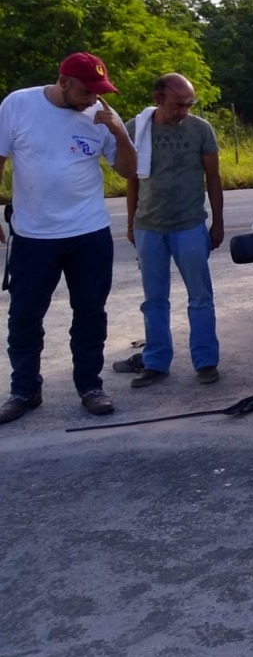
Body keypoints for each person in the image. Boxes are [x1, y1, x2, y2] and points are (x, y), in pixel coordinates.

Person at [0, 52, 138, 424]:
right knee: (25, 316)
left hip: (88, 234)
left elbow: (129, 170)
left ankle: (90, 387)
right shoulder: (18, 105)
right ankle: (24, 390)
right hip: (33, 235)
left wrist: (119, 132)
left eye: (99, 90)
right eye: (87, 90)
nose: (94, 98)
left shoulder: (100, 117)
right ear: (63, 82)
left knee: (90, 313)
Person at [116, 74, 223, 388]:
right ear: (157, 98)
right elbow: (132, 179)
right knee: (154, 300)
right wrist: (131, 222)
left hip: (189, 225)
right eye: (178, 105)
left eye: (189, 104)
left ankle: (205, 362)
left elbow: (213, 179)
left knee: (200, 297)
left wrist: (217, 223)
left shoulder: (201, 130)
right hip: (149, 227)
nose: (184, 111)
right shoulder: (138, 128)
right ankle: (156, 362)